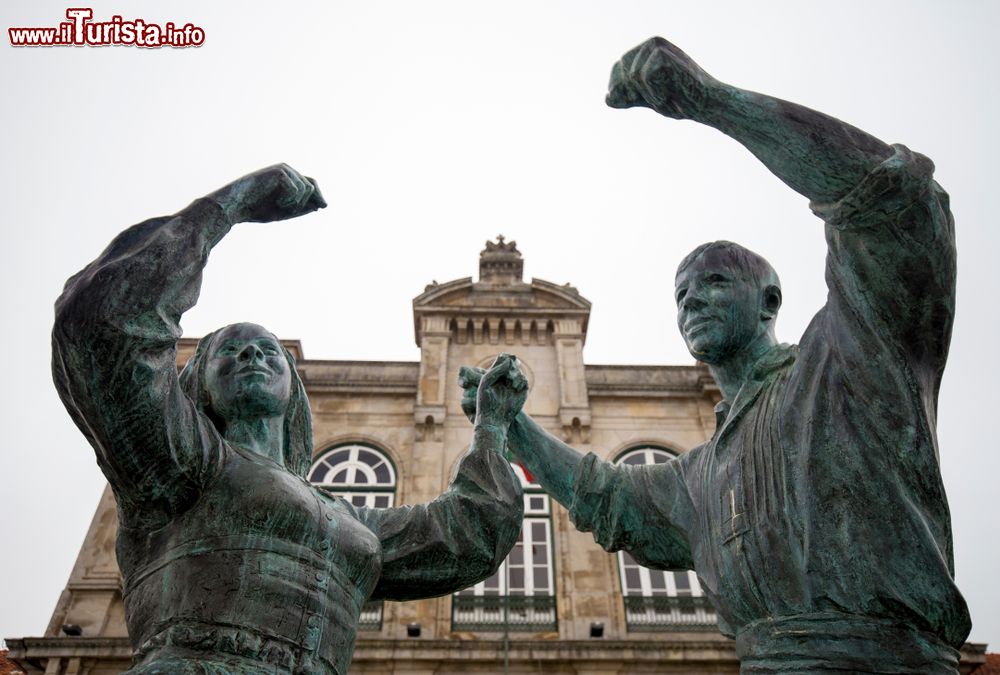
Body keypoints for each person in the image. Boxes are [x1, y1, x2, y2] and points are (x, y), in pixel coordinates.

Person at [461, 38, 970, 674]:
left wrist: (714, 102)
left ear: (770, 300)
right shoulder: (704, 472)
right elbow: (608, 498)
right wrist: (513, 426)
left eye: (715, 283)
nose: (693, 302)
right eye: (681, 296)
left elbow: (893, 203)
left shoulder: (851, 362)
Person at [52, 164, 527, 675]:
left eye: (267, 351)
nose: (251, 356)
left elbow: (464, 537)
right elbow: (103, 326)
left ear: (292, 387)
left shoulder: (344, 521)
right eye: (230, 351)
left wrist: (492, 428)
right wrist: (228, 206)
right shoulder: (181, 465)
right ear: (198, 384)